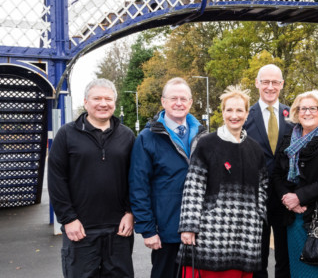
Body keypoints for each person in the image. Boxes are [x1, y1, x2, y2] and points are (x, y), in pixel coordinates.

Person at [48, 79, 135, 277]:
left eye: (108, 99)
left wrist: (131, 212)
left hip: (119, 229)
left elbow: (135, 178)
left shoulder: (127, 136)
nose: (103, 103)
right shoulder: (67, 134)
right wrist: (68, 219)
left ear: (115, 102)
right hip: (80, 228)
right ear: (86, 102)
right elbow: (56, 179)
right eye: (97, 98)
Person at [179, 86, 268, 277]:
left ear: (246, 114)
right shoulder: (206, 144)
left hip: (245, 232)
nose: (234, 115)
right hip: (211, 233)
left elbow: (262, 186)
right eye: (229, 110)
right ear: (222, 112)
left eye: (239, 110)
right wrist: (188, 227)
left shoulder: (255, 149)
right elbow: (193, 187)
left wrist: (258, 214)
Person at [130, 77, 206, 278]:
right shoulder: (147, 138)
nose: (179, 103)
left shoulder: (204, 136)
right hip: (166, 232)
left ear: (190, 102)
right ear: (163, 102)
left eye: (184, 98)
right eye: (173, 98)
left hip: (200, 230)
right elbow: (138, 187)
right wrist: (148, 229)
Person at [272, 90, 318, 278]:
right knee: (298, 271)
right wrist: (287, 199)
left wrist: (298, 197)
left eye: (313, 108)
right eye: (302, 108)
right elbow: (276, 174)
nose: (307, 112)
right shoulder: (289, 139)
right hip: (294, 218)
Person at [243, 65, 293, 278]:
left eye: (275, 82)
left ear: (282, 85)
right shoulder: (244, 116)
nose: (270, 87)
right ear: (257, 83)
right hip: (255, 199)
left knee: (285, 258)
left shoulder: (294, 115)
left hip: (286, 198)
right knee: (257, 260)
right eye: (265, 82)